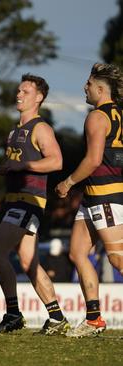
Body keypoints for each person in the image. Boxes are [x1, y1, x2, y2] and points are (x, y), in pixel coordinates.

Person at [0, 74, 68, 335]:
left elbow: (56, 161)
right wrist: (1, 170)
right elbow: (17, 166)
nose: (19, 94)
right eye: (18, 90)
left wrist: (23, 165)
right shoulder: (14, 131)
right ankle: (56, 317)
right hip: (16, 201)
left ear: (39, 97)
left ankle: (13, 314)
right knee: (28, 261)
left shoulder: (40, 128)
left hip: (27, 202)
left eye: (26, 91)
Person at [55, 63, 123, 338]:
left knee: (118, 259)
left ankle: (94, 319)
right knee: (77, 253)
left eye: (88, 83)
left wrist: (68, 182)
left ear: (100, 88)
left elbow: (94, 160)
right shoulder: (119, 114)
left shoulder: (96, 117)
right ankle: (94, 318)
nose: (84, 87)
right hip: (94, 197)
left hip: (105, 195)